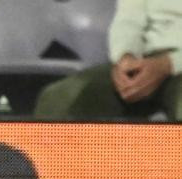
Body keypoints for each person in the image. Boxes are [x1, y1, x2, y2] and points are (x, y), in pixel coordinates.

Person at [34, 0, 182, 121]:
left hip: (177, 62)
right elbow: (129, 19)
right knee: (59, 98)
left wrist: (170, 64)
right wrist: (125, 57)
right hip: (144, 58)